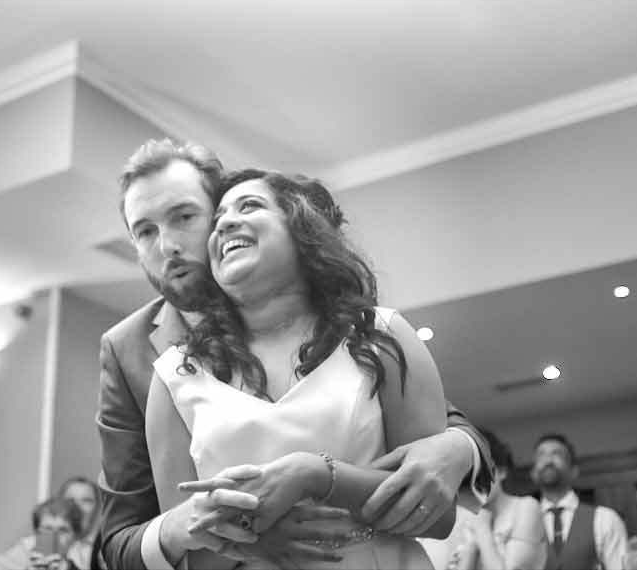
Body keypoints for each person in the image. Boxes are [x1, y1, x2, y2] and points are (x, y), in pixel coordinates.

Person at [96, 139, 494, 569]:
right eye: (145, 231)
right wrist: (232, 534)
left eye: (185, 216)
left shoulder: (371, 335)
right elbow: (121, 537)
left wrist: (461, 448)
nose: (168, 245)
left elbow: (433, 446)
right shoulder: (143, 358)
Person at [423, 429, 547, 570]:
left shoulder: (526, 507)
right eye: (467, 474)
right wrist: (470, 550)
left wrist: (482, 531)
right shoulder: (461, 517)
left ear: (501, 472)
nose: (474, 482)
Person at [532, 433, 627, 570]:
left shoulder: (605, 519)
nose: (548, 460)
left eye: (556, 454)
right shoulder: (520, 524)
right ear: (533, 474)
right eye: (541, 455)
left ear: (574, 471)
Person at [0, 497, 87, 570]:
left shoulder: (85, 558)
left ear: (75, 536)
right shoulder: (21, 552)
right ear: (36, 533)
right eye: (47, 529)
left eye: (63, 530)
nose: (54, 536)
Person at [58, 477, 98, 569]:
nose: (78, 507)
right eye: (70, 500)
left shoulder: (108, 550)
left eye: (86, 500)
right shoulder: (29, 548)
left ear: (98, 506)